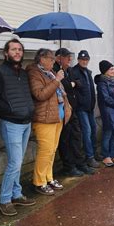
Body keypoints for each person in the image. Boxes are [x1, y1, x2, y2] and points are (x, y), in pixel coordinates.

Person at [0, 39, 36, 217]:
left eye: (20, 50)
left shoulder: (23, 74)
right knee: (14, 163)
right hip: (11, 124)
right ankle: (5, 200)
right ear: (5, 53)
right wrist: (12, 110)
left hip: (26, 123)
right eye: (13, 49)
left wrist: (29, 109)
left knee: (18, 162)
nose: (17, 52)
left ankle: (16, 194)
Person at [27, 48, 72, 195]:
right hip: (44, 118)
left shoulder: (50, 72)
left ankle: (48, 177)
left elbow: (60, 92)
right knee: (45, 151)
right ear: (41, 59)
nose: (53, 61)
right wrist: (57, 80)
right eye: (51, 59)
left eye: (54, 59)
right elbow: (40, 94)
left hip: (57, 116)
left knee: (52, 150)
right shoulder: (34, 73)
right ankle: (39, 182)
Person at [53, 48, 95, 177]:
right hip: (62, 110)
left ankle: (80, 163)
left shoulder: (69, 70)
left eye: (70, 57)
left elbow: (78, 83)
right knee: (65, 140)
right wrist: (69, 83)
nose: (70, 60)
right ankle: (69, 166)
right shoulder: (55, 70)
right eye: (67, 58)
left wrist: (72, 83)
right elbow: (63, 86)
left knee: (76, 137)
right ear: (59, 58)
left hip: (72, 108)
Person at [71, 50, 100, 168]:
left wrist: (92, 103)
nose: (84, 61)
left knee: (93, 129)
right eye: (82, 59)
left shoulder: (88, 72)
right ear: (78, 60)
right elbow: (74, 90)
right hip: (81, 108)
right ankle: (89, 157)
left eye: (86, 59)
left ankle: (93, 152)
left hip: (89, 107)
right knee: (87, 131)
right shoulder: (74, 71)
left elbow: (91, 90)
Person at [94, 61, 114, 167]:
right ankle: (105, 155)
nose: (113, 71)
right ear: (105, 71)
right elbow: (106, 99)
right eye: (111, 69)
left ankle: (113, 154)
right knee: (107, 134)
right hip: (108, 111)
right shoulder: (102, 83)